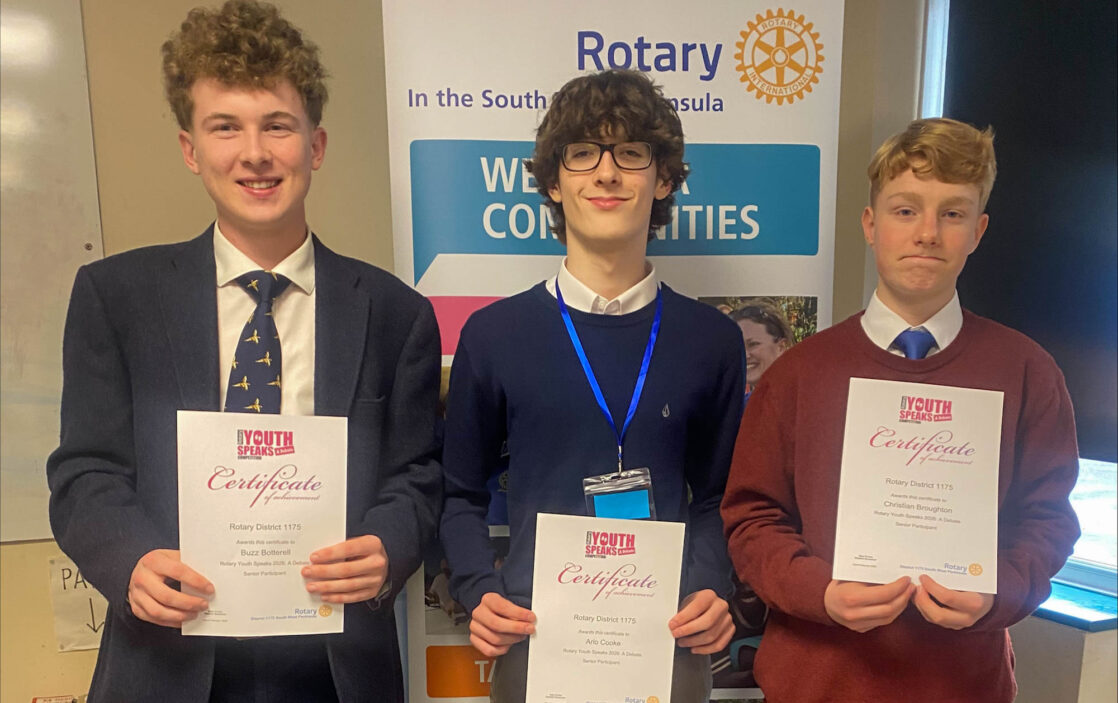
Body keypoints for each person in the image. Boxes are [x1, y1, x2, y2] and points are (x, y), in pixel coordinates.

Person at [45, 2, 442, 700]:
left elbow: (417, 475)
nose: (254, 153)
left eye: (277, 126)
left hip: (335, 668)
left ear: (315, 146)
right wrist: (129, 559)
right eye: (225, 126)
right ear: (190, 149)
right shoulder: (117, 297)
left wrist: (387, 545)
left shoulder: (395, 313)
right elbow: (86, 471)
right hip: (165, 663)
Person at [720, 117, 1080, 702]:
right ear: (871, 224)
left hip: (963, 686)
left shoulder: (1027, 371)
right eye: (906, 210)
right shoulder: (798, 373)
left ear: (978, 230)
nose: (928, 233)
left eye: (953, 213)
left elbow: (1048, 519)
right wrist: (819, 591)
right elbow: (752, 518)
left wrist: (1001, 591)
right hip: (817, 683)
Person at [440, 69, 745, 702]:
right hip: (535, 639)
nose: (606, 173)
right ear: (554, 182)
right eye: (583, 154)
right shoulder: (494, 334)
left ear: (664, 179)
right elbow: (459, 492)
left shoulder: (712, 339)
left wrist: (710, 587)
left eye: (630, 153)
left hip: (668, 641)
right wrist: (477, 587)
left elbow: (721, 497)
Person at [729, 301, 793, 398]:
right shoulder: (741, 405)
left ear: (781, 347)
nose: (745, 355)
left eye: (753, 344)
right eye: (739, 347)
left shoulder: (805, 399)